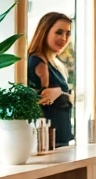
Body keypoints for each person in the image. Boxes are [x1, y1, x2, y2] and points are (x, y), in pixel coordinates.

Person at [27, 12, 75, 147]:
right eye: (59, 32)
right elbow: (41, 99)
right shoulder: (38, 61)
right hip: (47, 142)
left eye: (68, 33)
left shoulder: (55, 63)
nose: (64, 38)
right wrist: (61, 94)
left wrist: (60, 93)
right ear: (44, 32)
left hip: (60, 139)